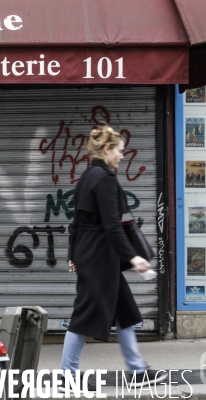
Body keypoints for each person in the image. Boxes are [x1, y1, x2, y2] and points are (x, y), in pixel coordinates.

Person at [60, 125, 167, 391]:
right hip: (99, 256)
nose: (122, 156)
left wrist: (73, 254)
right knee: (84, 315)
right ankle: (66, 376)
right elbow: (112, 226)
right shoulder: (104, 179)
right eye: (120, 151)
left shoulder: (87, 177)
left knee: (126, 312)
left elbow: (76, 223)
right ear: (107, 150)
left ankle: (138, 371)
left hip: (91, 253)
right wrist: (133, 257)